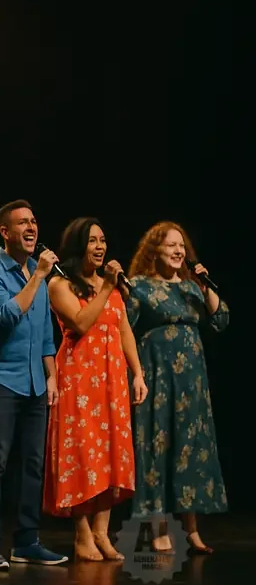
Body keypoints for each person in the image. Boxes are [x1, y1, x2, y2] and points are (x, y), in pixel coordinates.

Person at [0, 200, 68, 569]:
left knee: (33, 464)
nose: (31, 228)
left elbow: (45, 334)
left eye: (34, 221)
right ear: (4, 231)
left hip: (35, 384)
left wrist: (52, 377)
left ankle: (27, 540)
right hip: (0, 380)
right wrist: (38, 277)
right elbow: (8, 316)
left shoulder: (35, 273)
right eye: (22, 223)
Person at [44, 217, 147, 562]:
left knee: (109, 454)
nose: (100, 247)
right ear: (78, 246)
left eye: (103, 240)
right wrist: (106, 287)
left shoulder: (112, 287)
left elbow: (124, 331)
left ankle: (103, 533)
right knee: (83, 453)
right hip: (79, 378)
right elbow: (81, 322)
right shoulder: (60, 284)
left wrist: (137, 373)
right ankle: (82, 535)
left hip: (111, 378)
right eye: (92, 241)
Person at [126, 222, 228, 555]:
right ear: (154, 250)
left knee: (192, 448)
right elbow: (124, 327)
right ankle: (156, 528)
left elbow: (221, 319)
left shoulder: (190, 287)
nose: (178, 251)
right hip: (158, 377)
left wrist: (204, 282)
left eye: (181, 246)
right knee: (157, 447)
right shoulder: (140, 287)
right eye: (171, 245)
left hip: (192, 382)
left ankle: (192, 530)